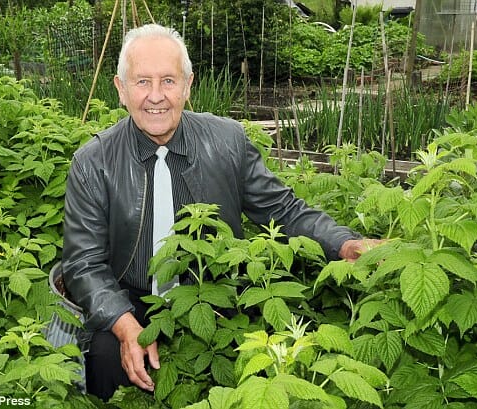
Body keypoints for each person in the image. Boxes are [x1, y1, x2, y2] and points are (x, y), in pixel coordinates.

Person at [61, 23, 381, 401]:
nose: (156, 96)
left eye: (168, 81)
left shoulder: (227, 141)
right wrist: (123, 323)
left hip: (216, 298)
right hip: (130, 302)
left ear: (188, 85)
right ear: (121, 89)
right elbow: (83, 264)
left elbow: (283, 209)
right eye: (142, 82)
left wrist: (344, 244)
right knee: (104, 355)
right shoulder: (93, 163)